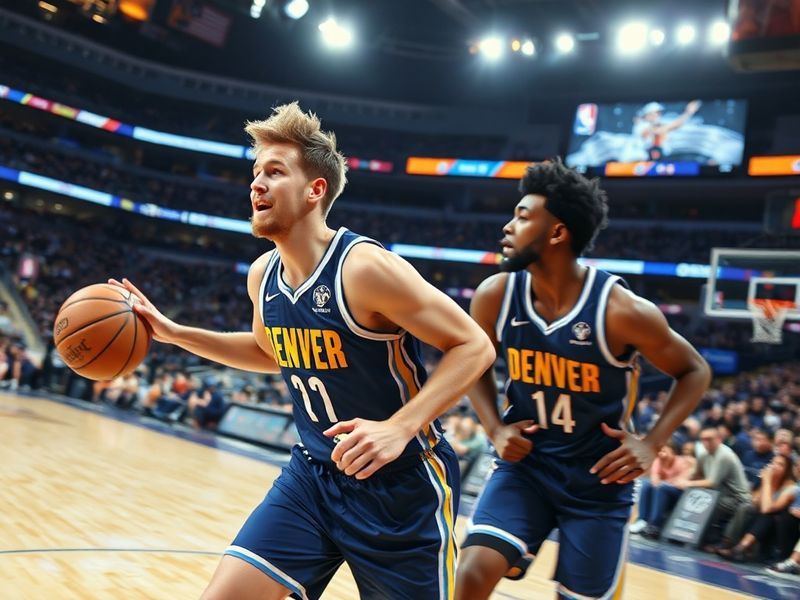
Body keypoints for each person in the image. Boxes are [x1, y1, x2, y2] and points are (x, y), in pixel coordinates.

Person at [111, 102, 495, 600]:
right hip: (313, 478)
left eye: (275, 171)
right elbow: (270, 352)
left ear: (316, 190)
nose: (256, 184)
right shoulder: (262, 276)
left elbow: (474, 345)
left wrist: (400, 426)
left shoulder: (364, 269)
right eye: (255, 172)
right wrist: (175, 332)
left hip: (401, 487)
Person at [454, 159, 711, 600]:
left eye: (522, 216)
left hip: (599, 484)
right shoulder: (496, 293)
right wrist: (494, 426)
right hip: (527, 468)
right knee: (472, 572)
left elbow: (694, 370)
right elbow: (472, 360)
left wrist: (651, 443)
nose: (507, 226)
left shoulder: (623, 310)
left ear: (557, 233)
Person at [715, 454, 797, 562]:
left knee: (767, 516)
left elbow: (766, 509)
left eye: (780, 465)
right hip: (763, 527)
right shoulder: (770, 482)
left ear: (787, 471)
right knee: (747, 508)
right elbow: (755, 502)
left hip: (782, 534)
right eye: (773, 463)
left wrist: (767, 482)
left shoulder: (791, 488)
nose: (774, 466)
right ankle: (732, 545)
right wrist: (765, 483)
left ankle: (740, 549)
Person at [680, 426, 751, 547]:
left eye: (709, 439)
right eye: (703, 439)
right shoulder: (703, 454)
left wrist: (687, 484)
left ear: (719, 439)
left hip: (736, 498)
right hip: (717, 495)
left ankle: (703, 539)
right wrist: (682, 479)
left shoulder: (724, 455)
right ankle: (680, 533)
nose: (706, 442)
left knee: (705, 502)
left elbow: (711, 482)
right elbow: (695, 473)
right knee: (691, 495)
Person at [629, 440, 693, 537]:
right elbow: (654, 478)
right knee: (646, 483)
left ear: (672, 452)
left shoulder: (681, 462)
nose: (661, 454)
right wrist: (663, 482)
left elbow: (681, 483)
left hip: (678, 494)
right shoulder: (658, 460)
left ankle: (655, 525)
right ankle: (642, 520)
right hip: (662, 489)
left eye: (664, 451)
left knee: (661, 487)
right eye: (660, 451)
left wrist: (664, 482)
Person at [632, 100, 701, 160]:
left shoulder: (658, 123)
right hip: (642, 160)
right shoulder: (641, 125)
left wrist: (688, 112)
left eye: (659, 113)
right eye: (656, 113)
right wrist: (688, 113)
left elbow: (675, 125)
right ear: (648, 114)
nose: (659, 115)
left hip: (663, 157)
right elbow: (659, 131)